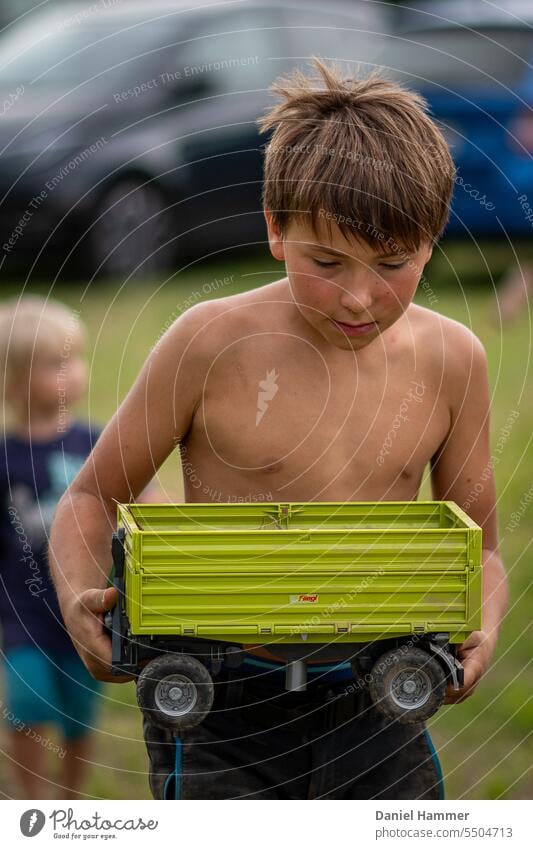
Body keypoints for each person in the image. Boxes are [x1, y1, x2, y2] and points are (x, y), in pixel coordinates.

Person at [48, 58, 508, 800]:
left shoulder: (453, 359)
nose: (358, 296)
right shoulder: (207, 343)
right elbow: (91, 497)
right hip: (220, 693)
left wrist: (480, 623)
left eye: (391, 263)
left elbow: (478, 546)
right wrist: (76, 594)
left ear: (431, 238)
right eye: (325, 260)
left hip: (378, 691)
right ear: (274, 230)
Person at [0, 295, 103, 799]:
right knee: (28, 706)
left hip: (87, 606)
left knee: (80, 718)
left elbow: (142, 501)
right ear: (14, 380)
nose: (75, 373)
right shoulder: (4, 456)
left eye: (76, 359)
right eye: (57, 364)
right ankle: (32, 803)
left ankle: (71, 800)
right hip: (19, 612)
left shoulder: (97, 443)